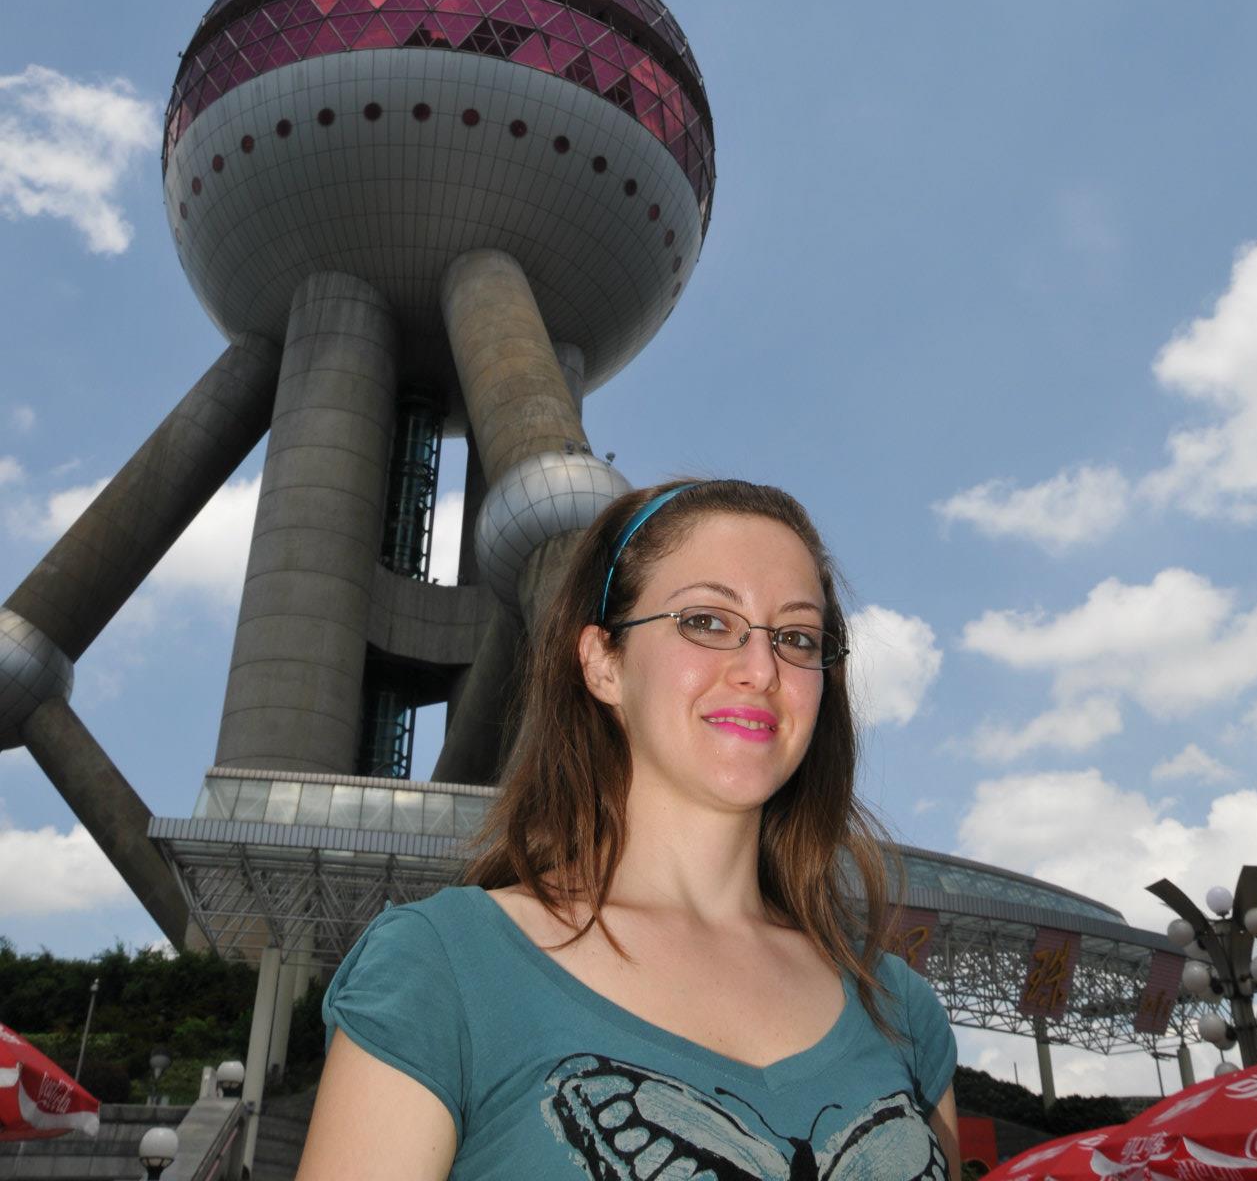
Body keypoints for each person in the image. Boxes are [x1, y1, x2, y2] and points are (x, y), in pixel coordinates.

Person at [299, 479, 960, 1180]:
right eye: (707, 622)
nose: (762, 669)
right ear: (603, 663)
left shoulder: (898, 1009)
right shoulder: (443, 969)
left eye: (797, 637)